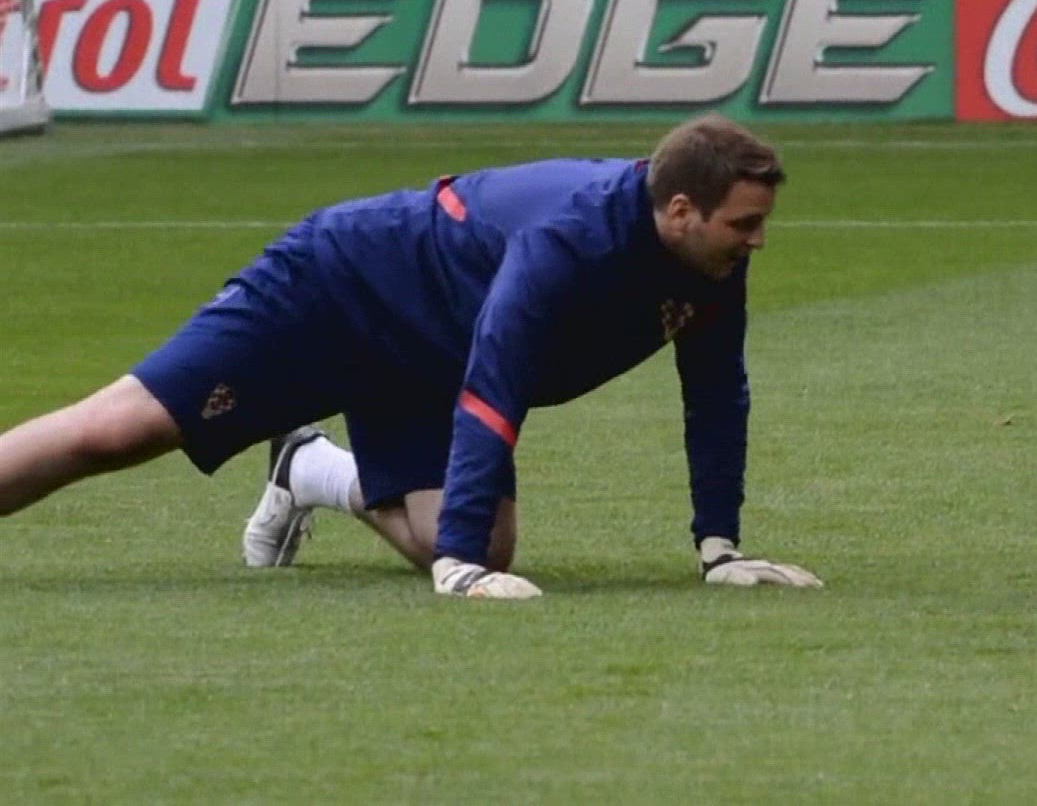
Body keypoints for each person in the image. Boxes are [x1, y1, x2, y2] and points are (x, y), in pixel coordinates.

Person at [0, 114, 821, 599]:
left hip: (430, 356)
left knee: (488, 545)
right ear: (679, 210)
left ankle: (308, 469)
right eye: (744, 223)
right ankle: (324, 470)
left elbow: (717, 396)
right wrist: (458, 571)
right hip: (334, 287)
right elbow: (498, 377)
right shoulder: (570, 237)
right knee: (118, 432)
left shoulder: (714, 264)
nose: (758, 240)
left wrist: (720, 549)